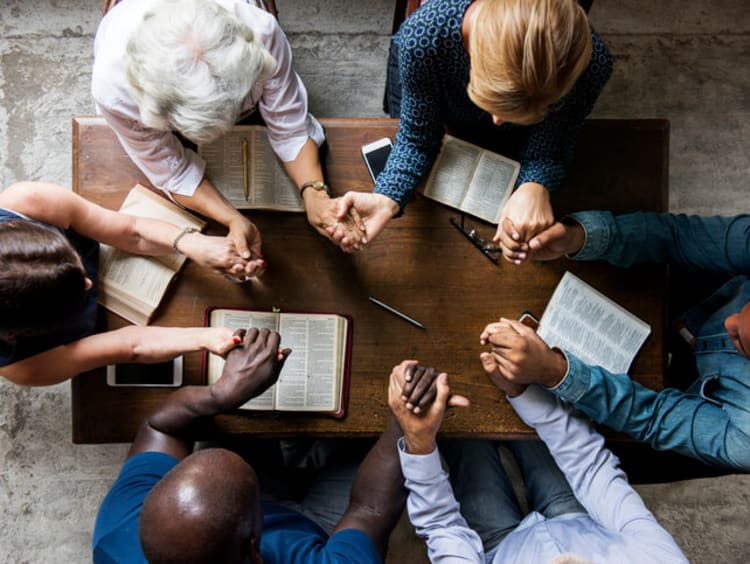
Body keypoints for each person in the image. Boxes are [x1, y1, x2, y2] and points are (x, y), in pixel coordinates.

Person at [93, 327, 406, 563]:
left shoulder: (118, 537)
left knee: (231, 423)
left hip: (243, 528)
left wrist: (222, 394)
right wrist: (407, 419)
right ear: (255, 549)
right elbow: (369, 509)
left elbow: (159, 426)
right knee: (375, 432)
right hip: (323, 528)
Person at [329, 0, 612, 255]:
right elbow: (417, 137)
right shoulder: (424, 37)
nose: (497, 122)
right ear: (473, 52)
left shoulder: (592, 64)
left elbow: (556, 139)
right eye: (492, 101)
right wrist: (387, 196)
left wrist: (535, 184)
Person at [92, 0, 364, 263]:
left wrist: (315, 194)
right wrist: (232, 218)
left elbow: (290, 126)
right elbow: (173, 171)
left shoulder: (260, 30)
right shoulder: (113, 91)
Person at [482, 210, 750, 471]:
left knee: (610, 453)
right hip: (693, 291)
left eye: (742, 342)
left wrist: (554, 371)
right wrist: (579, 237)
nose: (729, 322)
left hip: (695, 407)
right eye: (746, 307)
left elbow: (653, 417)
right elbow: (676, 236)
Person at [389, 359, 687, 561]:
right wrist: (520, 390)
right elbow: (592, 468)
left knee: (459, 419)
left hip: (498, 547)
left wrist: (420, 441)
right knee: (523, 389)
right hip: (578, 517)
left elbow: (442, 525)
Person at [0, 181, 253, 386]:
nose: (88, 283)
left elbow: (131, 229)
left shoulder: (27, 202)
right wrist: (207, 338)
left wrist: (193, 244)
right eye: (71, 299)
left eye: (73, 258)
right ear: (19, 333)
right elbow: (131, 346)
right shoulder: (24, 366)